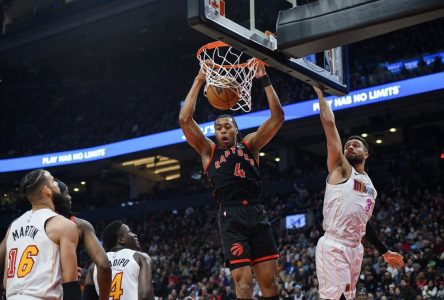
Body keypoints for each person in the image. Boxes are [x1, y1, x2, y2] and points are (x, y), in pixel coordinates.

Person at [179, 62, 284, 299]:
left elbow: (278, 117)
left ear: (236, 130)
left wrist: (264, 79)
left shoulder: (251, 145)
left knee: (270, 283)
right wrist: (199, 80)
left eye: (227, 126)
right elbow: (185, 120)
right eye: (218, 128)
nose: (223, 130)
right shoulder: (209, 151)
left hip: (257, 212)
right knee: (244, 283)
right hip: (231, 216)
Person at [313, 87, 404, 300]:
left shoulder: (371, 187)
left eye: (356, 145)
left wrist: (384, 251)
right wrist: (320, 95)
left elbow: (365, 224)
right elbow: (329, 125)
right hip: (335, 244)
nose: (350, 148)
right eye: (347, 146)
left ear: (366, 153)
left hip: (355, 249)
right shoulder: (341, 168)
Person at [1, 169, 81, 300]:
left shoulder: (13, 227)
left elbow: (6, 281)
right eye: (53, 180)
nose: (56, 183)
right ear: (47, 190)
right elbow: (71, 282)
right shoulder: (62, 224)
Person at [54, 179, 112, 300]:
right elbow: (104, 265)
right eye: (66, 193)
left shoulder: (30, 224)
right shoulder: (79, 225)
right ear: (57, 196)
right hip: (67, 288)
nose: (70, 197)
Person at [83, 220, 153, 300]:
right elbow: (145, 296)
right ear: (121, 240)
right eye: (130, 232)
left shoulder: (94, 266)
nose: (135, 235)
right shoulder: (141, 257)